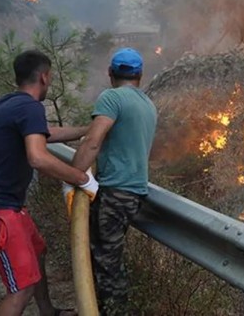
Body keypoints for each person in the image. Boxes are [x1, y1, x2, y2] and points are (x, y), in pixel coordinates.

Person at [0, 50, 99, 316]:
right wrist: (82, 179)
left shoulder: (6, 103)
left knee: (38, 250)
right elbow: (37, 158)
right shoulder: (30, 107)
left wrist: (88, 130)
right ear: (44, 76)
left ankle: (48, 311)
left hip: (6, 206)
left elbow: (46, 133)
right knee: (21, 290)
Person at [71, 47, 157, 315]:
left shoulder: (111, 97)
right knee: (112, 262)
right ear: (140, 75)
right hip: (134, 194)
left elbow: (93, 142)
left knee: (105, 265)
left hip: (114, 193)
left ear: (110, 73)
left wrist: (73, 176)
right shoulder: (147, 104)